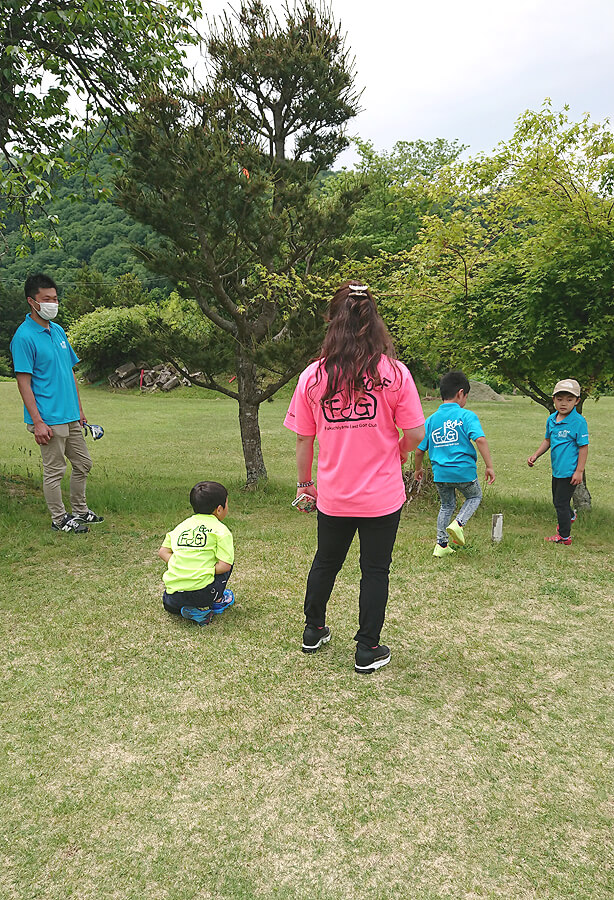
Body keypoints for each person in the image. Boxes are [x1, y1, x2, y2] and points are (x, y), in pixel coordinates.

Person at [284, 281, 425, 674]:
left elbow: (304, 437)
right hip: (382, 495)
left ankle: (313, 630)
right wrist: (395, 452)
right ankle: (368, 649)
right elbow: (415, 435)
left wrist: (304, 484)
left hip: (334, 494)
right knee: (375, 569)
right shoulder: (394, 373)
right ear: (374, 322)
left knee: (326, 562)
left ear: (332, 321)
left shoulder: (313, 377)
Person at [9, 273, 103, 533]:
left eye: (55, 298)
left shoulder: (58, 330)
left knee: (83, 463)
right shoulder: (24, 337)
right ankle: (59, 519)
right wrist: (37, 422)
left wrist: (81, 411)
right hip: (48, 417)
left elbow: (69, 371)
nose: (53, 303)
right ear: (32, 301)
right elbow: (24, 382)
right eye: (46, 299)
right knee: (55, 470)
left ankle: (80, 511)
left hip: (70, 415)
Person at [414, 371, 495, 557]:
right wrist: (489, 466)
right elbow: (480, 440)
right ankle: (458, 524)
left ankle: (441, 546)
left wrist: (418, 469)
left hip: (440, 474)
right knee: (474, 497)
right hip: (463, 472)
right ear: (460, 393)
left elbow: (419, 450)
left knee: (446, 505)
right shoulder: (466, 416)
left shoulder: (431, 420)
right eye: (466, 396)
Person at [159, 481, 236, 626]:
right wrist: (204, 570)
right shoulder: (221, 531)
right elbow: (225, 566)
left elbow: (163, 552)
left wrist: (180, 564)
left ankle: (189, 610)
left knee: (171, 604)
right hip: (203, 594)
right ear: (219, 509)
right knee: (228, 561)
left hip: (173, 596)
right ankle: (218, 601)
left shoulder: (182, 526)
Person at [527, 378, 589, 545]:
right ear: (553, 399)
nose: (564, 403)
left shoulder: (578, 422)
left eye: (569, 400)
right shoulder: (552, 420)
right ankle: (570, 516)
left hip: (570, 471)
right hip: (557, 470)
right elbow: (547, 440)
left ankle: (564, 537)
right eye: (560, 399)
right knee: (558, 500)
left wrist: (579, 471)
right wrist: (536, 455)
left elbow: (583, 447)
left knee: (560, 503)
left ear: (577, 401)